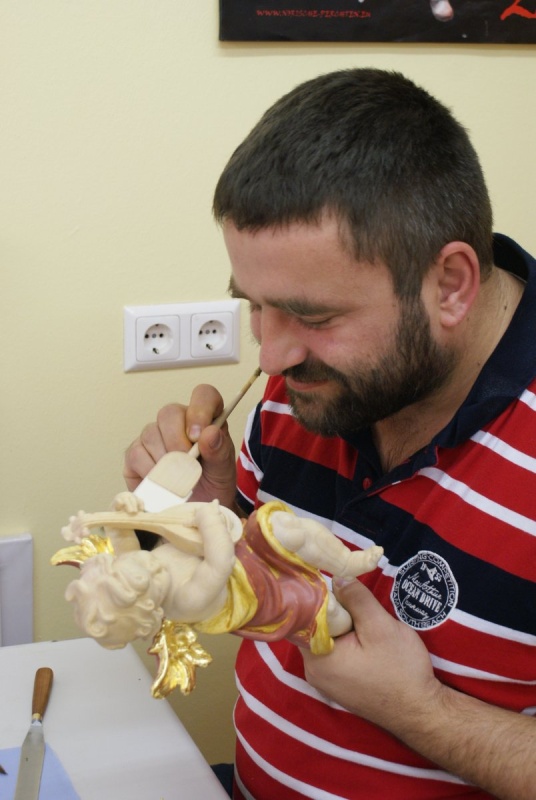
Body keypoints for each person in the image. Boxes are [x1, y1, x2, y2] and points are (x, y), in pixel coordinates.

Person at [124, 69, 536, 800]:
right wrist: (214, 525)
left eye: (313, 317)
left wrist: (423, 712)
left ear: (450, 285)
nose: (272, 359)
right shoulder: (308, 389)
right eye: (255, 306)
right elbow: (277, 600)